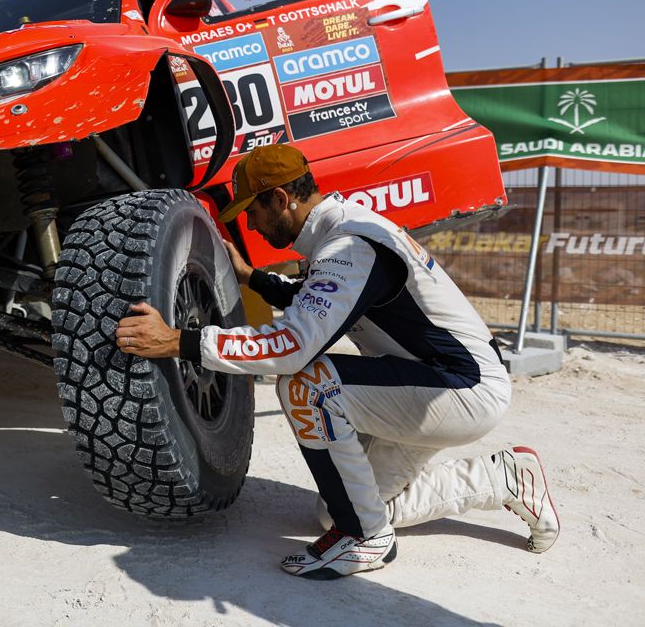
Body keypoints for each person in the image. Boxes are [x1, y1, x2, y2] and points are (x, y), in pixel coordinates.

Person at [115, 144, 560, 580]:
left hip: (458, 391)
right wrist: (255, 279)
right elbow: (322, 302)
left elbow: (291, 345)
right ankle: (504, 478)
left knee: (306, 384)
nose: (250, 223)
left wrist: (179, 341)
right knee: (340, 507)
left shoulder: (349, 246)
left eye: (253, 210)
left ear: (281, 199)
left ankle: (364, 538)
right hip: (434, 385)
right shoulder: (344, 231)